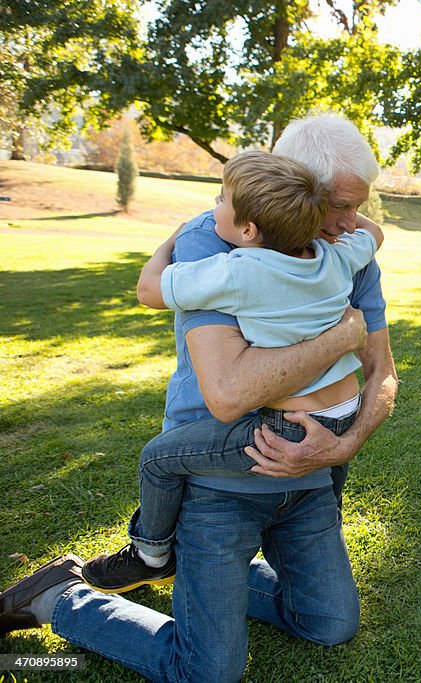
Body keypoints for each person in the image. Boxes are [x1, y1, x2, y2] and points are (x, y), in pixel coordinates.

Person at [0, 113, 398, 682]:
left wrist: (346, 442)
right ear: (287, 188)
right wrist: (341, 335)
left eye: (358, 206)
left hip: (308, 478)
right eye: (337, 205)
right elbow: (230, 395)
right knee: (209, 673)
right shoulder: (216, 247)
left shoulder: (344, 246)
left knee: (329, 624)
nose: (350, 222)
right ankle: (64, 597)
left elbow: (383, 368)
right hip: (221, 485)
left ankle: (180, 563)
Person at [79, 149, 384, 593]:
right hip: (346, 409)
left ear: (248, 229)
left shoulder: (237, 270)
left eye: (220, 201)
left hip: (289, 425)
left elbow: (148, 290)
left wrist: (172, 240)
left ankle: (152, 553)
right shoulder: (335, 258)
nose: (212, 209)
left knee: (158, 457)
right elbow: (373, 233)